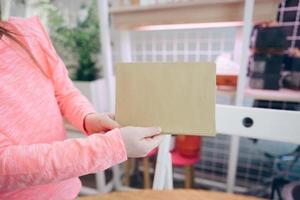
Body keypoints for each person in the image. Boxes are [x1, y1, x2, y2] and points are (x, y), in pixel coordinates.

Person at [0, 9, 163, 200]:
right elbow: (5, 165)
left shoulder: (27, 31)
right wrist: (110, 148)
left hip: (67, 189)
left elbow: (64, 91)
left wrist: (88, 118)